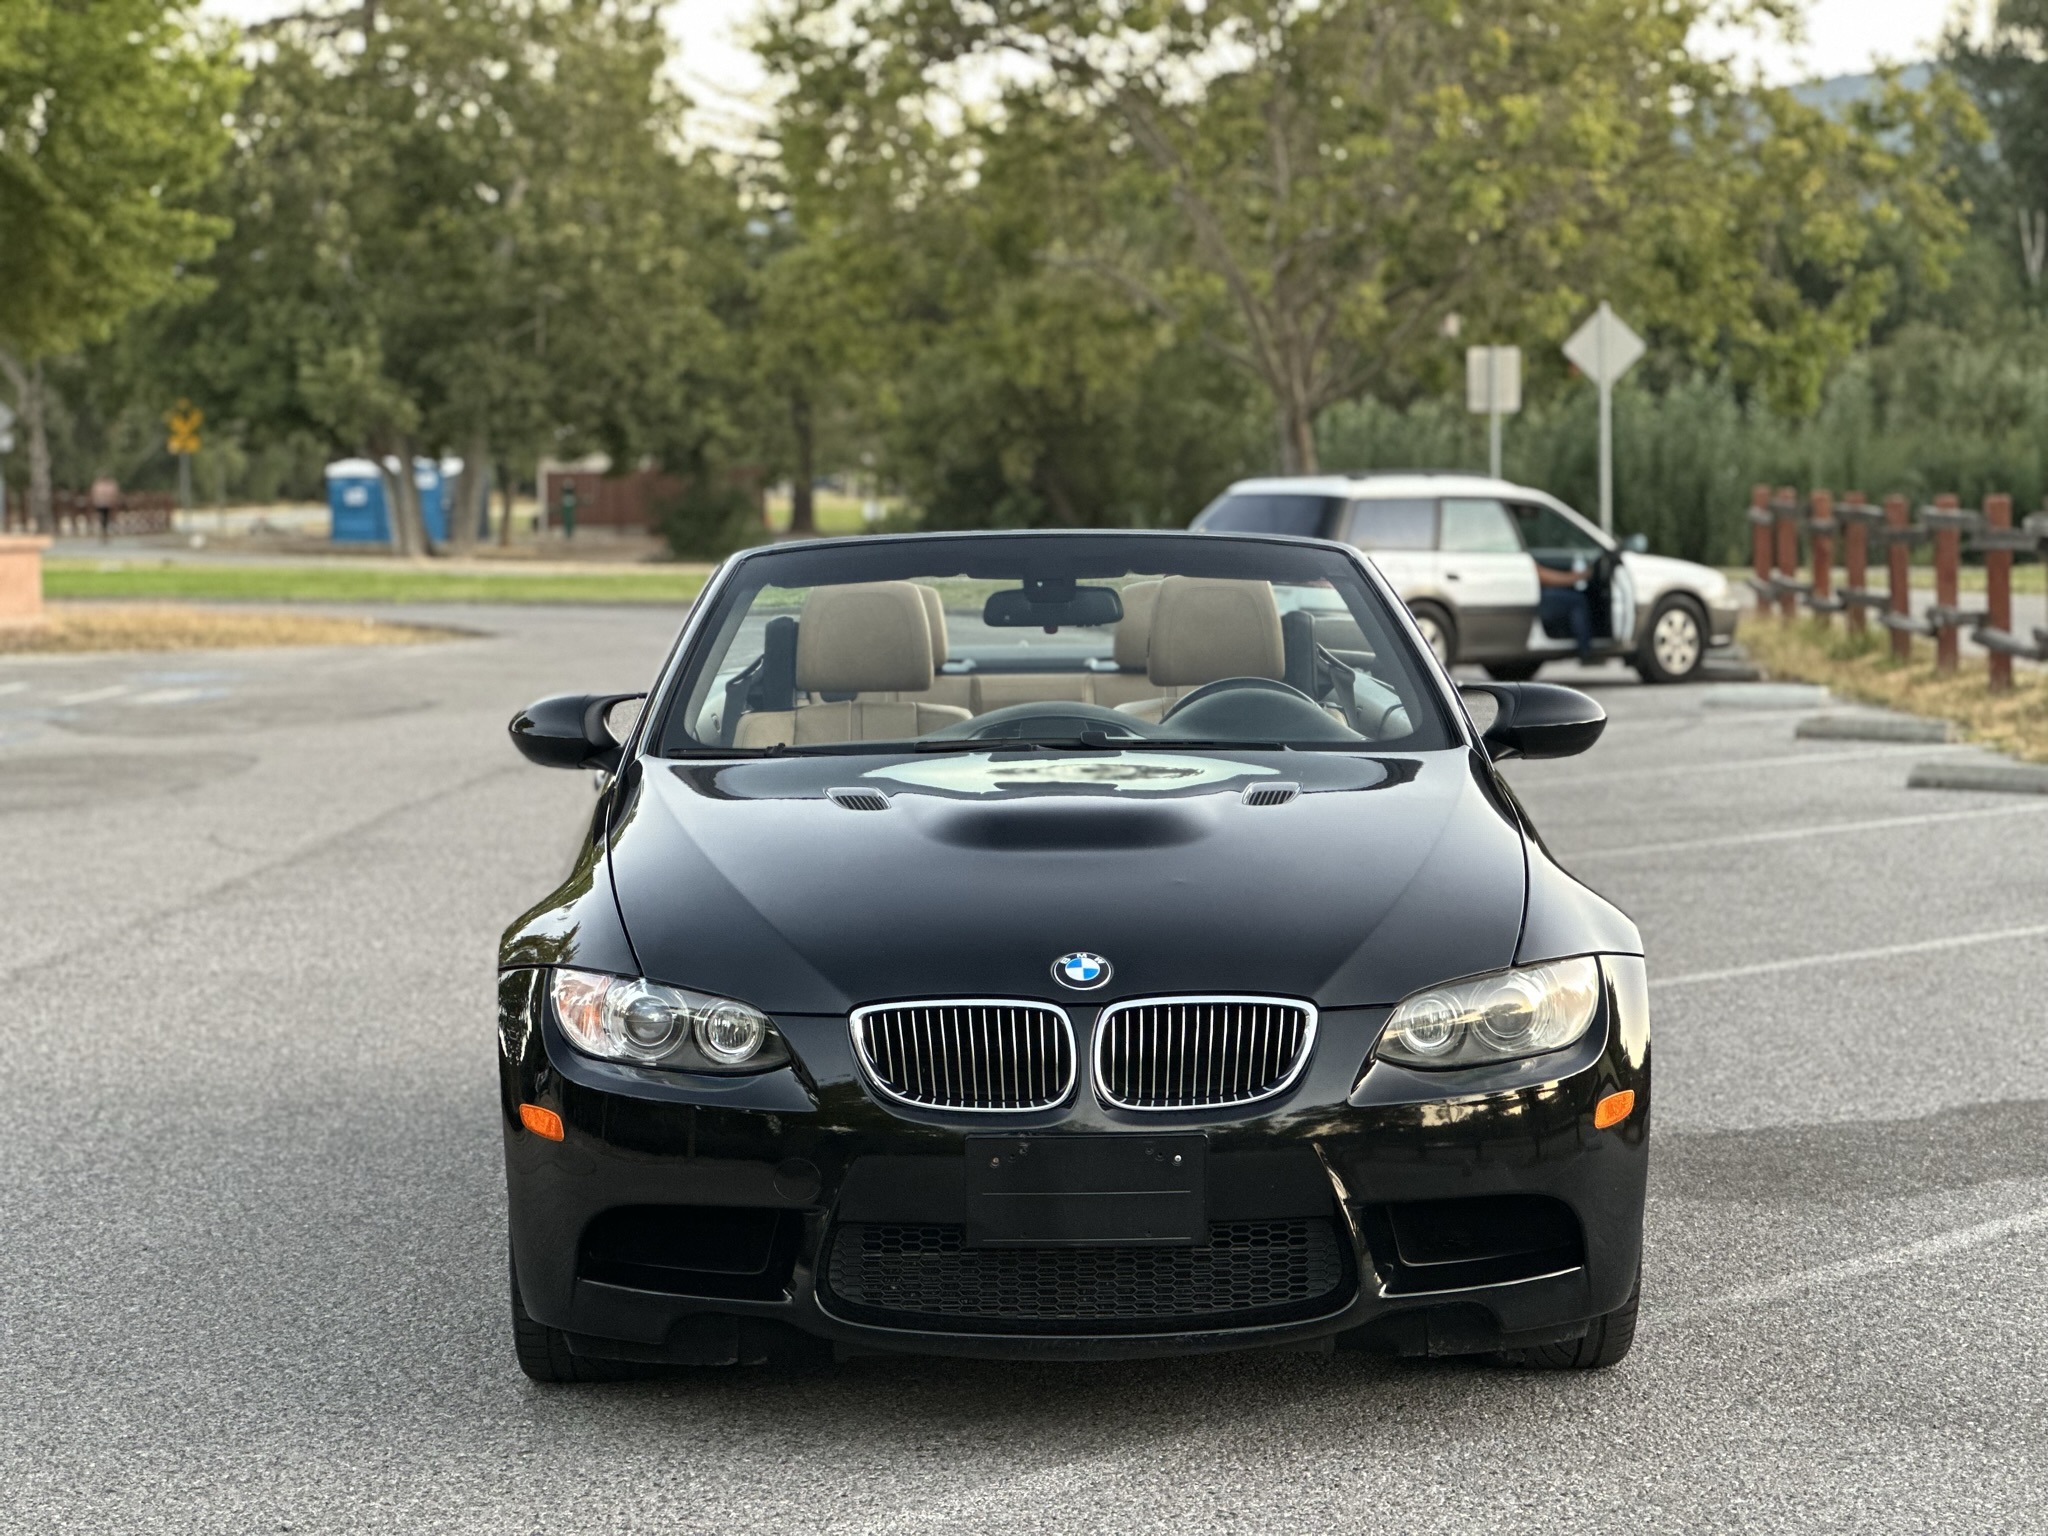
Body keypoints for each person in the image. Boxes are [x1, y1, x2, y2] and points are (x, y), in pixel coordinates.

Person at [1536, 553, 1595, 664]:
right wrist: (1578, 576)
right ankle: (1585, 649)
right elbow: (1544, 577)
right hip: (1536, 597)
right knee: (1577, 601)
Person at [90, 473, 118, 542]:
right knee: (102, 516)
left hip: (108, 503)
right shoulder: (98, 484)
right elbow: (95, 493)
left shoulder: (110, 484)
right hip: (100, 503)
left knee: (107, 517)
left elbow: (113, 493)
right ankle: (103, 530)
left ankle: (106, 530)